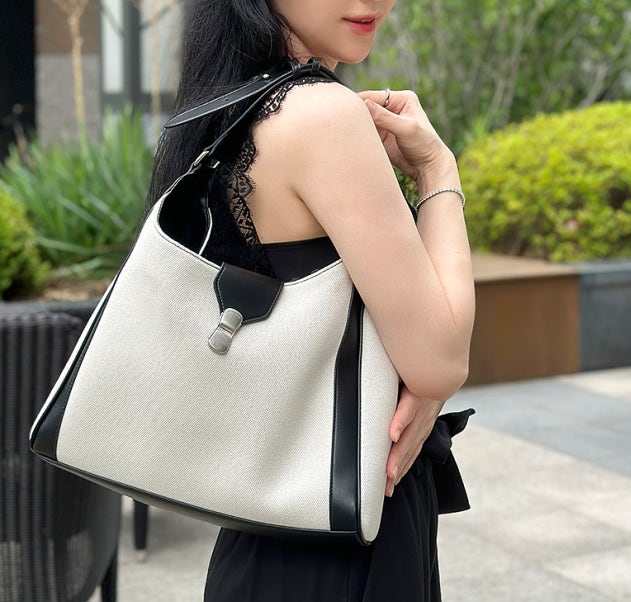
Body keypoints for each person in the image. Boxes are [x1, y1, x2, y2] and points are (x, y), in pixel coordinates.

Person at [148, 1, 476, 600]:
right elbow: (440, 360)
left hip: (270, 528)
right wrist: (437, 170)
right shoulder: (321, 114)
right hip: (340, 540)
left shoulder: (230, 105)